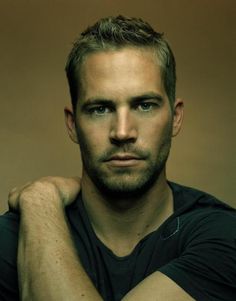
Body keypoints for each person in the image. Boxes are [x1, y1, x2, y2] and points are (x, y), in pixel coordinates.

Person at [0, 15, 235, 301]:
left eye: (144, 105)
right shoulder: (11, 239)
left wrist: (40, 199)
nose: (123, 132)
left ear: (175, 118)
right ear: (73, 124)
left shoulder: (222, 236)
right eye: (100, 109)